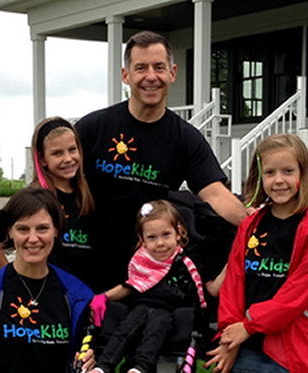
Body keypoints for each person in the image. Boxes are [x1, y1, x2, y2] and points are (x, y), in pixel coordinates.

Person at [75, 30, 246, 292]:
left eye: (159, 67)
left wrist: (254, 222)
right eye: (141, 68)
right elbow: (52, 179)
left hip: (150, 268)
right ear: (126, 75)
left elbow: (214, 192)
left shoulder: (185, 138)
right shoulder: (93, 128)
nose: (151, 77)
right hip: (87, 263)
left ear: (172, 73)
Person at [205, 134, 308, 373]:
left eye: (288, 171)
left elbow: (297, 294)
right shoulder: (250, 225)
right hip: (245, 345)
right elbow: (234, 281)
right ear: (259, 178)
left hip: (290, 350)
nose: (278, 180)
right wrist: (231, 334)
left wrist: (248, 325)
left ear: (303, 174)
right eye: (270, 173)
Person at [0, 187, 95, 373]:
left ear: (56, 231)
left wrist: (92, 359)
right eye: (23, 229)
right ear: (10, 232)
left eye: (42, 228)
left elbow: (93, 352)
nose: (33, 238)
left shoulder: (78, 297)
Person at [88, 200, 213, 373]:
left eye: (166, 235)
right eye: (152, 238)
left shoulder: (185, 263)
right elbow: (130, 285)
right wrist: (104, 297)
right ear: (142, 240)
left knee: (156, 326)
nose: (160, 243)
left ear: (179, 233)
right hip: (141, 306)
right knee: (126, 328)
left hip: (170, 312)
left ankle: (140, 367)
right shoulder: (142, 262)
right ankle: (103, 366)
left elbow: (200, 291)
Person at [0, 117, 99, 290]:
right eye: (57, 153)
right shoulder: (33, 198)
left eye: (72, 150)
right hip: (48, 295)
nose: (68, 158)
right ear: (42, 159)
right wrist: (12, 279)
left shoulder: (87, 195)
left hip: (84, 294)